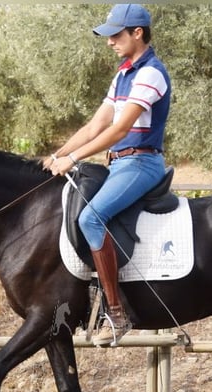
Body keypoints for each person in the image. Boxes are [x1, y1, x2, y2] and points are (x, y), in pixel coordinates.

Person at [45, 4, 171, 347]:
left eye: (116, 35)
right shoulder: (124, 74)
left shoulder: (151, 73)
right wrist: (57, 155)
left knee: (91, 218)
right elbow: (96, 125)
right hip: (118, 165)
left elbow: (119, 130)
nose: (110, 42)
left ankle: (116, 313)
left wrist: (72, 158)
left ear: (137, 33)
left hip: (141, 164)